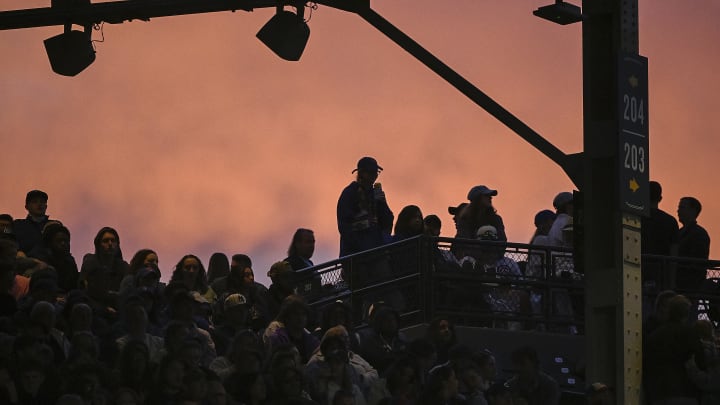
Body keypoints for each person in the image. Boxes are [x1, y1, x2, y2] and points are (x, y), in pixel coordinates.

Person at [337, 156, 394, 257]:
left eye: (376, 172)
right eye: (371, 172)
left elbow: (388, 219)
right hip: (355, 256)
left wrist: (382, 203)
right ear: (362, 173)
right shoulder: (350, 193)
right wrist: (356, 246)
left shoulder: (376, 194)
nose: (375, 175)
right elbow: (344, 225)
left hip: (377, 251)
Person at [673, 196, 711, 291]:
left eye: (682, 208)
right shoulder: (680, 232)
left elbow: (698, 262)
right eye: (679, 208)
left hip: (689, 284)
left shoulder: (699, 234)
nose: (678, 211)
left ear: (693, 211)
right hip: (680, 281)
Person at [80, 227, 129, 294]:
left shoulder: (124, 267)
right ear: (98, 245)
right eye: (105, 241)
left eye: (113, 240)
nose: (110, 244)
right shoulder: (90, 262)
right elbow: (83, 287)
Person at [642, 181, 679, 256]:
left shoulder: (634, 218)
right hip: (661, 265)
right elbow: (674, 251)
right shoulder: (671, 221)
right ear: (660, 198)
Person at [12, 190, 52, 255]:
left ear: (46, 206)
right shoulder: (17, 225)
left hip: (51, 264)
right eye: (34, 202)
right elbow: (4, 231)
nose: (39, 204)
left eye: (42, 202)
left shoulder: (54, 225)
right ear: (26, 207)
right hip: (25, 263)